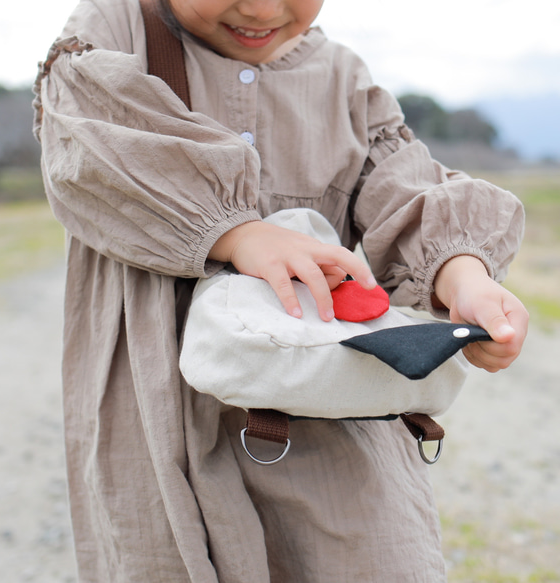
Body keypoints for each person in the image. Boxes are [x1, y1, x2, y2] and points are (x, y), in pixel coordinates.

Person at [33, 0, 528, 581]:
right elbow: (90, 145)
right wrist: (236, 232)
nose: (263, 8)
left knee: (368, 555)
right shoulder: (116, 30)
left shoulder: (343, 81)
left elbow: (405, 192)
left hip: (323, 402)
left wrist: (463, 277)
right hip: (162, 407)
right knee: (171, 559)